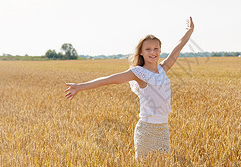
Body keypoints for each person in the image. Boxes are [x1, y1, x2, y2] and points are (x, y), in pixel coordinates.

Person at [65, 17, 195, 159]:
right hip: (146, 130)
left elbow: (178, 47)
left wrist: (189, 31)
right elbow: (109, 80)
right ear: (141, 52)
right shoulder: (138, 73)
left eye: (156, 49)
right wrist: (80, 86)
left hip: (163, 129)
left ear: (160, 50)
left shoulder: (163, 69)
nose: (153, 52)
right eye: (148, 49)